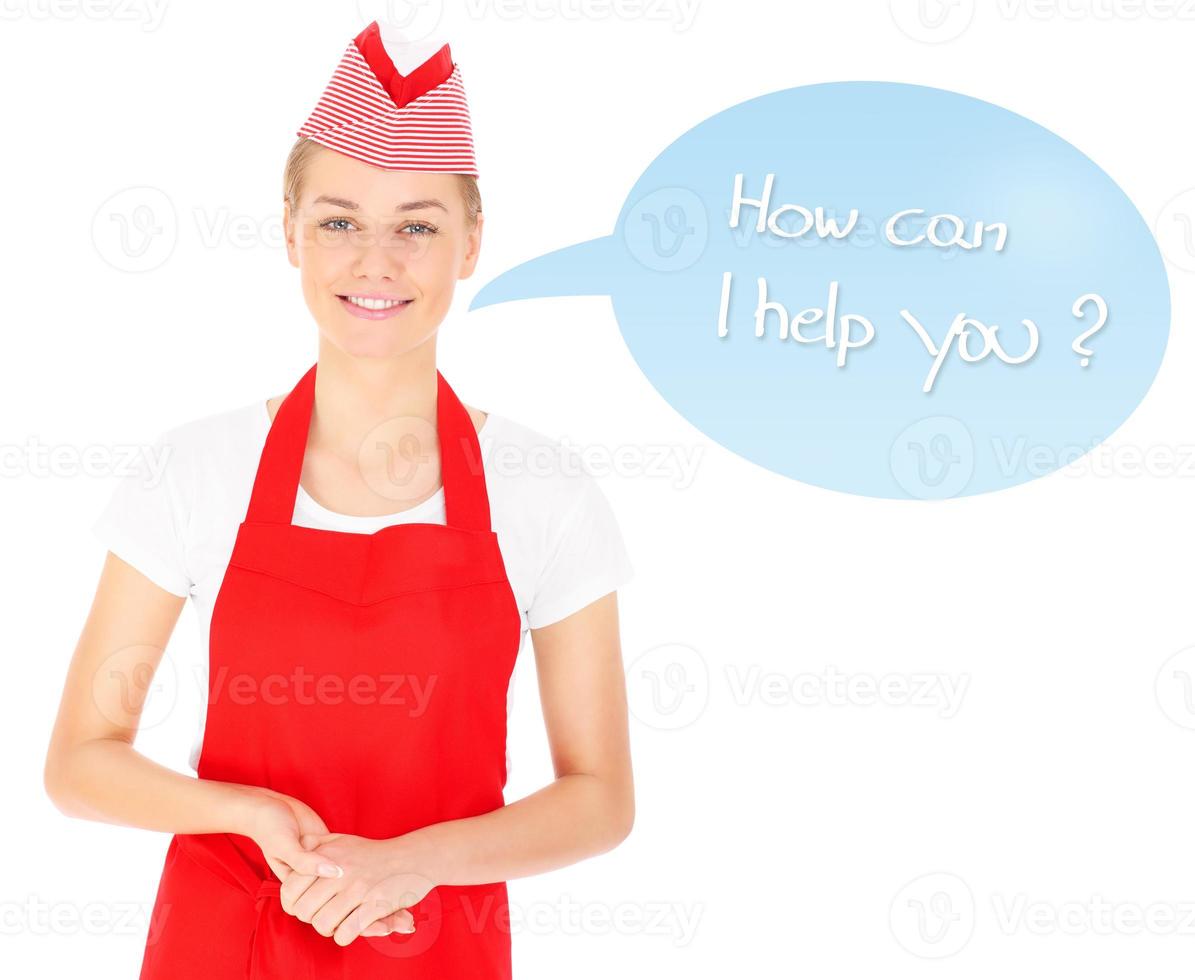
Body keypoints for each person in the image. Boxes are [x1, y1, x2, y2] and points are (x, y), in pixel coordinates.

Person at [43, 21, 635, 978]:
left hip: (436, 946)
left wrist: (410, 865)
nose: (374, 261)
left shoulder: (545, 490)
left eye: (416, 225)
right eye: (338, 220)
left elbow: (601, 796)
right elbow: (78, 762)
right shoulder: (194, 470)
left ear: (471, 243)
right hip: (221, 942)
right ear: (289, 233)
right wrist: (249, 813)